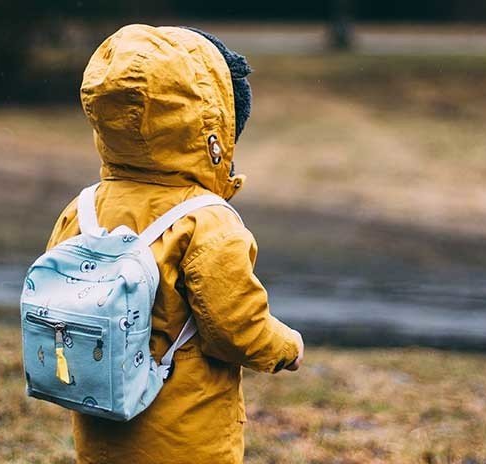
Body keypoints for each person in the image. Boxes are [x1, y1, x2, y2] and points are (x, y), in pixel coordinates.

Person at [45, 24, 305, 464]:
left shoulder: (85, 207)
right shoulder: (206, 222)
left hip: (101, 425)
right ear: (213, 126)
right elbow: (235, 329)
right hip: (186, 437)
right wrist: (287, 347)